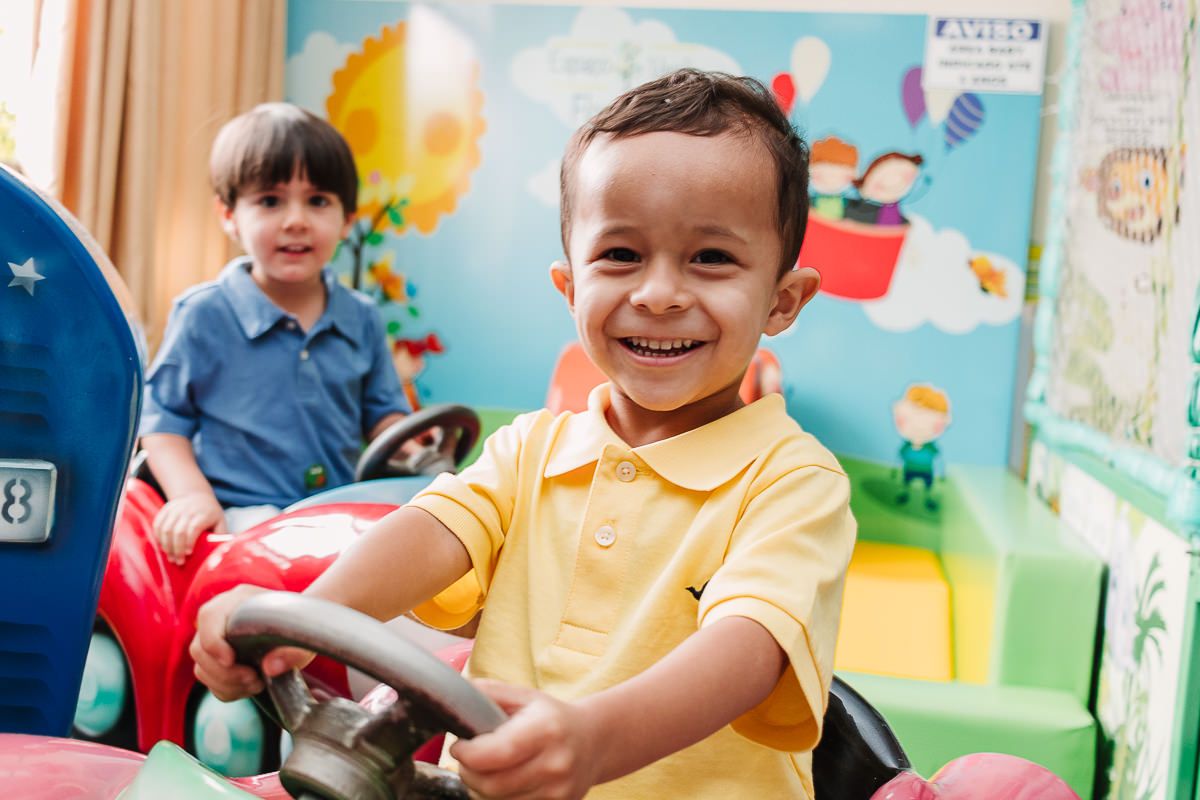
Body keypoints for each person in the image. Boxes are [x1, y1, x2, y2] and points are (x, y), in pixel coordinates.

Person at [191, 70, 856, 799]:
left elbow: (749, 648)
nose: (658, 293)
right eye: (621, 255)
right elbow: (431, 532)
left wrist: (595, 739)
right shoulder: (529, 451)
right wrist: (307, 617)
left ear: (783, 301)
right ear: (570, 287)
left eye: (711, 258)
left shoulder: (794, 485)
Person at [139, 103, 410, 564]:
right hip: (242, 517)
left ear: (346, 220)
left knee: (412, 552)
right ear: (229, 215)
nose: (295, 221)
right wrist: (191, 496)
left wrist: (408, 440)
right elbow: (162, 425)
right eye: (270, 201)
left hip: (338, 517)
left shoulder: (361, 317)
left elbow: (383, 414)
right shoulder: (204, 314)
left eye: (318, 201)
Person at [807, 135, 858, 220]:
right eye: (820, 174)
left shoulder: (850, 204)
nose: (831, 179)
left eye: (835, 175)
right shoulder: (807, 201)